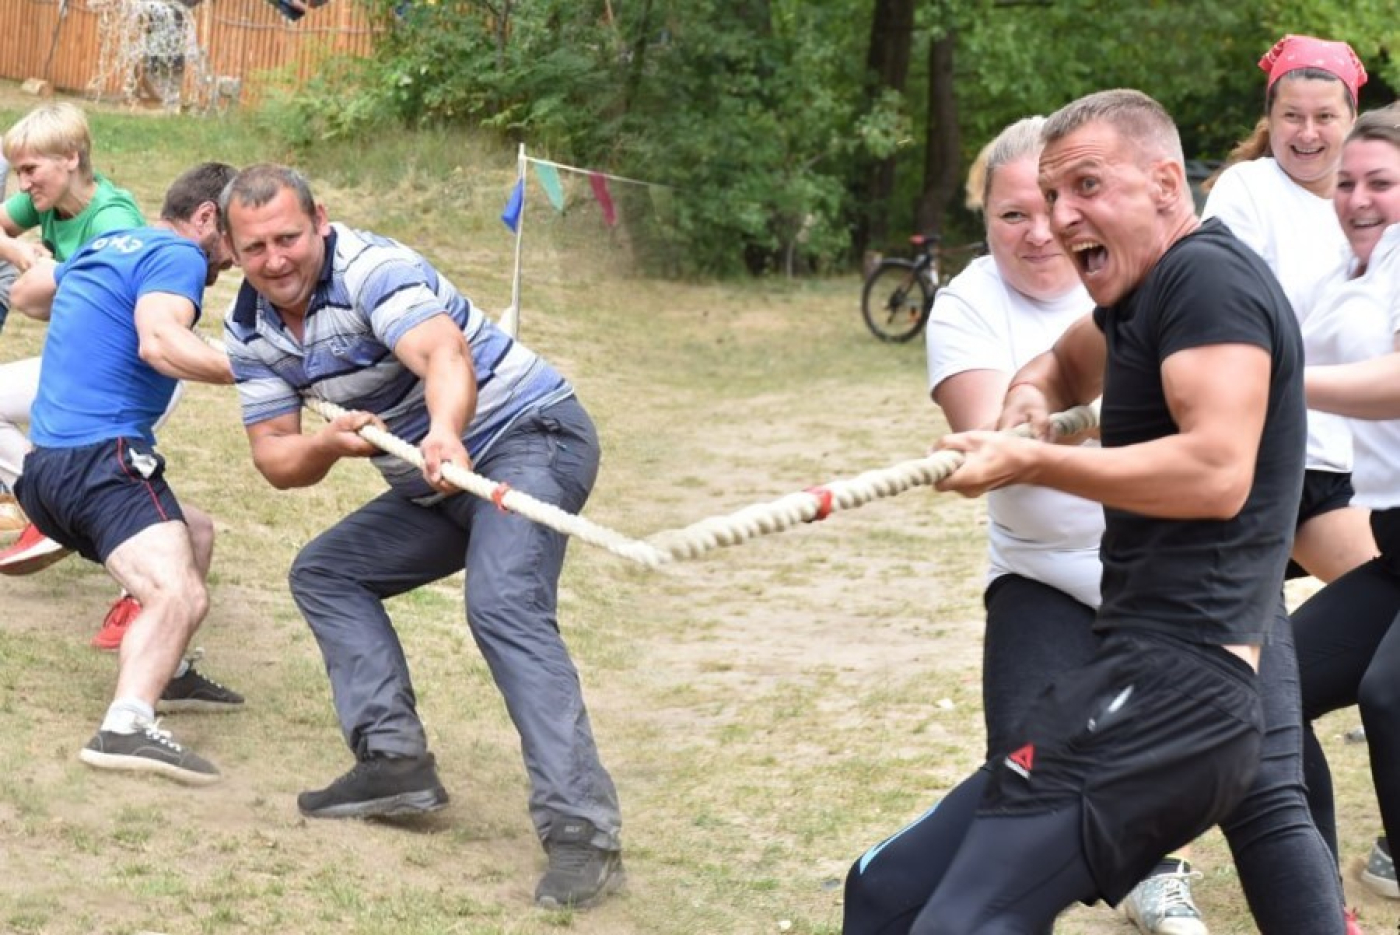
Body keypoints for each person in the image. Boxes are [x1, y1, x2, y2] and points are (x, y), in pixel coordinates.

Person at [842, 89, 1350, 935]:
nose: (1061, 216)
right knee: (890, 891)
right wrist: (1027, 400)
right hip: (1130, 671)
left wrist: (1033, 457)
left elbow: (1218, 470)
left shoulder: (1207, 281)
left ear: (1162, 182)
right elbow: (1058, 365)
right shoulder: (1136, 302)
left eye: (1084, 185)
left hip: (1182, 694)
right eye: (1049, 195)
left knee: (957, 923)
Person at [219, 163, 623, 910]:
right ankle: (394, 762)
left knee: (502, 604)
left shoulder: (375, 268)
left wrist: (443, 431)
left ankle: (583, 832)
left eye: (288, 237)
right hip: (434, 482)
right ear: (232, 252)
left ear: (321, 222)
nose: (276, 259)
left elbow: (443, 354)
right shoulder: (249, 328)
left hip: (530, 437)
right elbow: (276, 456)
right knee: (326, 572)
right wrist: (329, 447)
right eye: (255, 248)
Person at [920, 116, 1206, 935]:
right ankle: (1116, 870)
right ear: (985, 222)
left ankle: (1180, 871)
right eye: (1013, 213)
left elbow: (1209, 439)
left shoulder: (1140, 270)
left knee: (1268, 772)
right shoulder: (968, 303)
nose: (1041, 230)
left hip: (1169, 573)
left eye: (1055, 201)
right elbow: (995, 442)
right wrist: (1039, 417)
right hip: (1045, 571)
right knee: (1025, 776)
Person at [9, 161, 245, 785]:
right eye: (238, 241)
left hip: (44, 474)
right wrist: (254, 372)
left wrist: (88, 310)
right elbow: (160, 344)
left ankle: (168, 672)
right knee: (180, 593)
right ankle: (127, 725)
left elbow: (26, 293)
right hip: (98, 464)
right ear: (205, 219)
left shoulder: (111, 243)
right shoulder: (181, 257)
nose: (237, 261)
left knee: (194, 533)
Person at [1202, 34, 1376, 584]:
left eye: (1325, 116)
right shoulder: (1247, 190)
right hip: (1282, 461)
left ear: (1353, 119)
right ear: (1269, 119)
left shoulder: (1378, 199)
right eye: (1291, 116)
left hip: (1364, 458)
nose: (1307, 133)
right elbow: (1235, 317)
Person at [1292, 103, 1400, 904]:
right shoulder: (1347, 273)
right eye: (1348, 183)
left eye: (1383, 184)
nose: (1359, 198)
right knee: (1265, 693)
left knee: (1390, 692)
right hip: (1394, 546)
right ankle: (1313, 898)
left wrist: (1280, 383)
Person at [0, 102, 154, 650]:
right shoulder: (45, 198)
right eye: (17, 171)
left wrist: (40, 280)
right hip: (78, 363)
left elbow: (97, 303)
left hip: (125, 371)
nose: (21, 183)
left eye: (29, 170)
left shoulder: (112, 220)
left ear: (70, 158)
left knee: (112, 485)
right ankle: (45, 508)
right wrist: (18, 248)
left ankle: (144, 593)